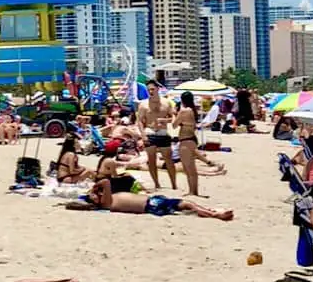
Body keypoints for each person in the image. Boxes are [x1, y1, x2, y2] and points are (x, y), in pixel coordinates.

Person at [84, 178, 233, 221]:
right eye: (94, 196)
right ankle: (215, 214)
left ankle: (210, 211)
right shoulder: (107, 202)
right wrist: (94, 188)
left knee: (184, 205)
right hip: (151, 204)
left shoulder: (108, 201)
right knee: (186, 203)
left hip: (152, 203)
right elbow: (105, 182)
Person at [136, 80, 177, 190]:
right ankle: (157, 183)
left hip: (163, 133)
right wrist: (143, 135)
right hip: (150, 132)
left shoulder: (166, 102)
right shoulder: (143, 104)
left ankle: (174, 184)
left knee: (168, 159)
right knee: (152, 159)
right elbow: (139, 121)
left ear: (158, 89)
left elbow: (174, 117)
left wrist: (164, 120)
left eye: (152, 89)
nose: (150, 91)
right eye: (148, 89)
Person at [172, 91, 200, 196]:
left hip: (185, 140)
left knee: (189, 168)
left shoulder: (184, 111)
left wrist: (174, 114)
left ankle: (193, 191)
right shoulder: (192, 110)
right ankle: (193, 190)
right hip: (191, 139)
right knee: (191, 168)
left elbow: (174, 125)